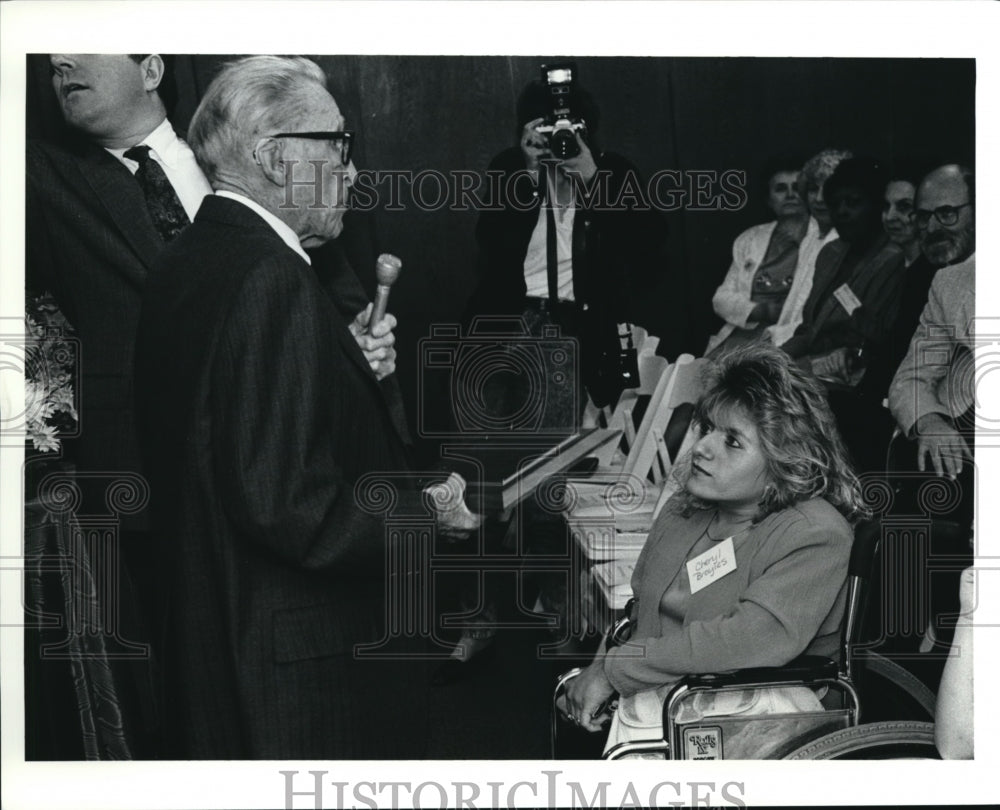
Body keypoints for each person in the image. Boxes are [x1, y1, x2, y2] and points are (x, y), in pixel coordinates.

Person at [133, 56, 477, 759]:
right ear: (273, 157)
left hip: (218, 644)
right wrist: (428, 509)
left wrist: (338, 361)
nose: (352, 170)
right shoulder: (272, 278)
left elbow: (230, 438)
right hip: (294, 665)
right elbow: (287, 504)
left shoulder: (191, 258)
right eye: (338, 145)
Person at [25, 53, 214, 757]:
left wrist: (355, 333)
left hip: (267, 453)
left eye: (80, 40)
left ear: (152, 67)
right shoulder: (39, 177)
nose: (59, 59)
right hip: (137, 477)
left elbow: (322, 263)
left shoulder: (232, 150)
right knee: (168, 686)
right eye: (48, 58)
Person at [562, 344, 866, 753]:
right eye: (707, 428)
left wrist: (615, 674)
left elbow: (744, 640)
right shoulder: (685, 509)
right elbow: (640, 613)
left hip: (759, 714)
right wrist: (601, 672)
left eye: (733, 442)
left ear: (785, 457)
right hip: (674, 696)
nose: (703, 447)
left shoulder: (815, 533)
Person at [781, 158, 905, 389]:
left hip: (853, 375)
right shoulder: (830, 252)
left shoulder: (891, 260)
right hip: (809, 366)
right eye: (836, 204)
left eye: (853, 203)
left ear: (875, 206)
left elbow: (874, 342)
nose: (842, 212)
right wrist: (774, 357)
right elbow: (809, 330)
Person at [888, 165, 975, 481]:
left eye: (948, 213)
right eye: (924, 217)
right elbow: (910, 378)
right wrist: (930, 422)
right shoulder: (948, 283)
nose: (934, 227)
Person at [706, 154, 828, 354]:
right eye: (780, 189)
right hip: (742, 336)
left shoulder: (825, 239)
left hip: (789, 341)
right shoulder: (750, 238)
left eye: (797, 188)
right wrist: (760, 310)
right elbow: (721, 299)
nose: (790, 194)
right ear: (769, 199)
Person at [769, 148, 852, 348]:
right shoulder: (811, 236)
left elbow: (829, 321)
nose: (819, 199)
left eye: (829, 189)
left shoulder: (848, 242)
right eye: (814, 188)